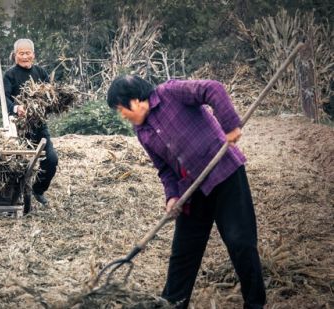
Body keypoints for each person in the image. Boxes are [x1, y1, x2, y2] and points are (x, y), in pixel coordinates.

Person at [106, 75, 266, 309]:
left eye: (122, 109)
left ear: (136, 100)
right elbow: (164, 169)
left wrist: (230, 125)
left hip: (224, 174)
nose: (122, 115)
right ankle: (172, 305)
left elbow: (213, 88)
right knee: (183, 253)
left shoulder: (171, 92)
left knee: (240, 242)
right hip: (192, 190)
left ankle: (255, 303)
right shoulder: (142, 132)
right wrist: (172, 195)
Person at [2, 38, 58, 206]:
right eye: (21, 53)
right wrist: (16, 108)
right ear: (15, 55)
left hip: (39, 126)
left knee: (51, 160)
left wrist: (52, 102)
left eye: (28, 53)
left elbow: (51, 94)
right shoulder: (9, 75)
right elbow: (3, 98)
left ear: (33, 55)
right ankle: (17, 194)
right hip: (18, 128)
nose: (25, 56)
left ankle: (38, 189)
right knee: (19, 163)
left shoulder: (41, 73)